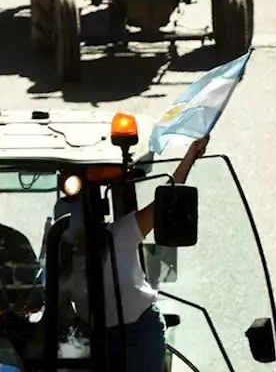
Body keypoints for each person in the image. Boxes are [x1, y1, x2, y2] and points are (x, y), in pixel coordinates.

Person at [53, 134, 210, 371]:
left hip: (139, 331)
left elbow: (165, 199)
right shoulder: (61, 259)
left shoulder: (120, 234)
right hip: (92, 336)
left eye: (79, 233)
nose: (77, 241)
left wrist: (190, 156)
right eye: (69, 234)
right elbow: (52, 298)